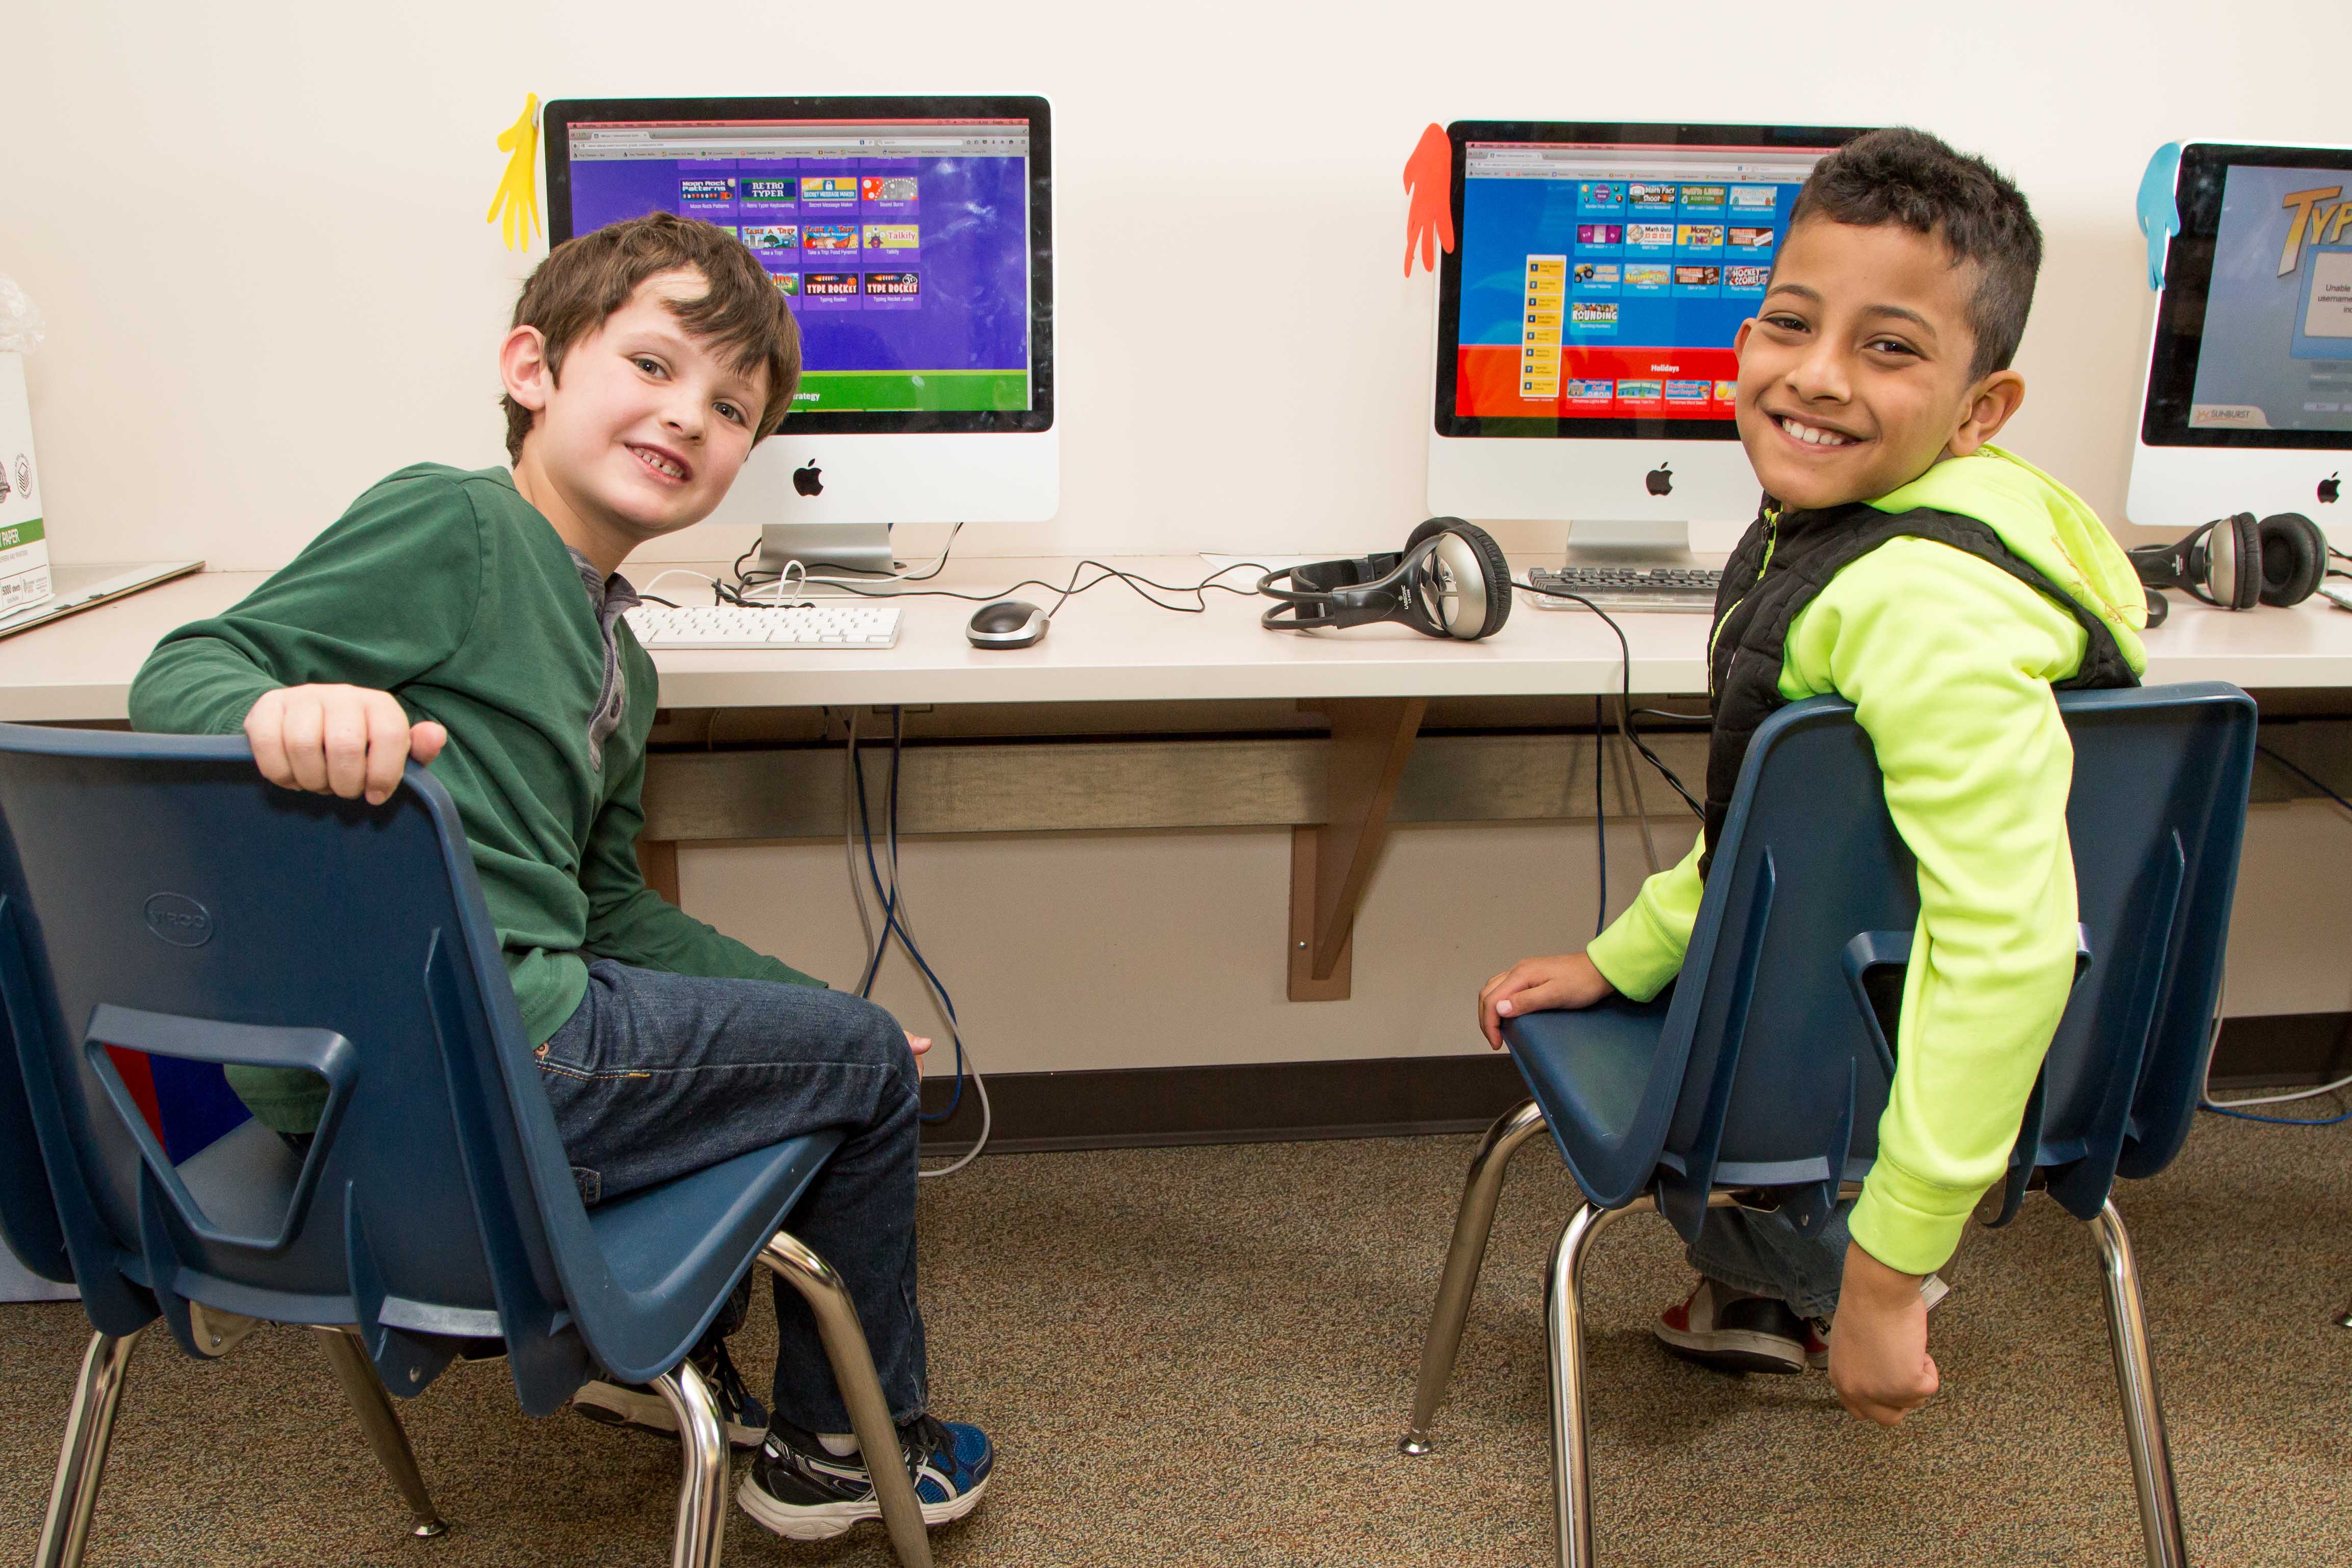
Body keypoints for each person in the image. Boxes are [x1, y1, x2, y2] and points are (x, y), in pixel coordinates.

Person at [126, 211, 991, 1541]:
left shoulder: (622, 663)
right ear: (532, 368)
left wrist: (803, 1005)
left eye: (730, 408)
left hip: (428, 1066)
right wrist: (279, 713)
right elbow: (184, 666)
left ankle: (658, 1357)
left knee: (831, 1043)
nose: (688, 416)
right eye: (651, 365)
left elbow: (607, 907)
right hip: (492, 1052)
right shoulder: (458, 524)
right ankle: (834, 1453)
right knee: (865, 1069)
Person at [1475, 128, 2149, 1427]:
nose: (1817, 375)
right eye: (1788, 320)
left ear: (1978, 408)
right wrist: (1625, 952)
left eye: (1889, 347)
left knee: (1736, 1097)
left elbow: (2003, 946)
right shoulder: (1968, 535)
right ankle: (1770, 1274)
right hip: (1939, 1046)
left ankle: (1814, 1265)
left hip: (1841, 1074)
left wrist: (1889, 1273)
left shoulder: (1918, 615)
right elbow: (1780, 843)